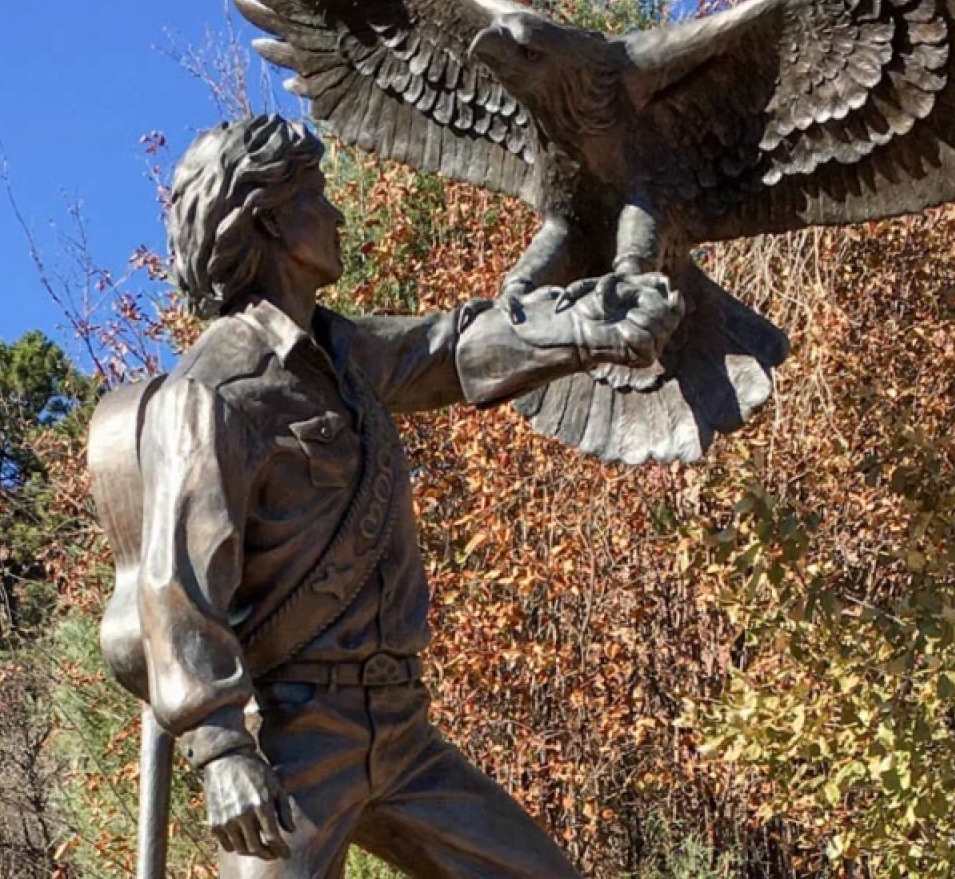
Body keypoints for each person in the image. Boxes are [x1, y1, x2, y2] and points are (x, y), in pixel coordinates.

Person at [134, 114, 681, 878]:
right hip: (295, 741)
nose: (336, 213)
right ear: (266, 218)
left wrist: (587, 328)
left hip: (402, 732)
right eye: (315, 195)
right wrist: (220, 747)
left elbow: (451, 350)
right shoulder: (215, 392)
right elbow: (177, 587)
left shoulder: (346, 352)